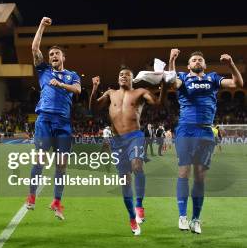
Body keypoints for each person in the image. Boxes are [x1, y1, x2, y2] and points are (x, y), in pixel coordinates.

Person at [169, 48, 243, 234]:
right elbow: (172, 84)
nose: (197, 62)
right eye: (193, 60)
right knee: (184, 172)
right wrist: (171, 60)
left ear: (205, 64)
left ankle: (196, 219)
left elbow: (237, 83)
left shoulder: (213, 78)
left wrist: (231, 64)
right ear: (188, 65)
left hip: (205, 131)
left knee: (200, 177)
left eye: (200, 60)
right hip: (186, 129)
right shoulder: (184, 77)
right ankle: (182, 216)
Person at [90, 68, 168, 235]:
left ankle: (139, 205)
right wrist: (95, 88)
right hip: (117, 141)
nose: (123, 76)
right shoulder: (110, 93)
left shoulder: (140, 92)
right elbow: (93, 108)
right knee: (125, 181)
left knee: (137, 166)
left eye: (126, 74)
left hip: (135, 136)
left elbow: (158, 104)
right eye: (120, 75)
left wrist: (164, 85)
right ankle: (132, 218)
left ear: (133, 78)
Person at [25, 16, 81, 220]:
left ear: (63, 57)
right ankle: (31, 196)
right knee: (39, 160)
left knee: (61, 165)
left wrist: (61, 84)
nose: (53, 56)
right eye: (51, 54)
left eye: (56, 53)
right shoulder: (44, 71)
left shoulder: (72, 75)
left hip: (63, 123)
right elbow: (34, 49)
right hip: (45, 120)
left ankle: (57, 202)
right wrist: (40, 26)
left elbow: (77, 90)